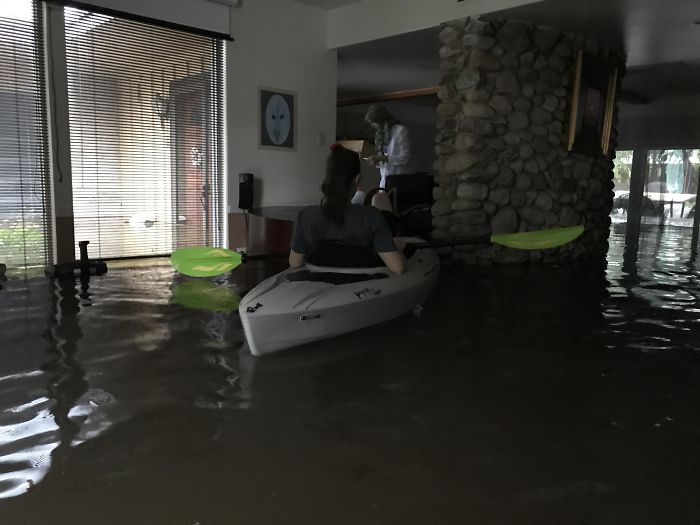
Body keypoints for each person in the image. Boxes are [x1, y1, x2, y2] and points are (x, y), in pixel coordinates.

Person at [289, 144, 405, 274]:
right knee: (380, 198)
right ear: (356, 180)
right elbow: (397, 267)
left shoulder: (305, 216)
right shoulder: (372, 216)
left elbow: (295, 263)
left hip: (325, 281)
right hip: (364, 283)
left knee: (379, 198)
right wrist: (397, 246)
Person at [364, 104, 413, 189]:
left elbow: (404, 158)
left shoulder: (400, 131)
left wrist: (381, 158)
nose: (373, 126)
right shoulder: (381, 136)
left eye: (374, 123)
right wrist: (377, 162)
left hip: (398, 181)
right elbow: (384, 161)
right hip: (384, 181)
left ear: (380, 120)